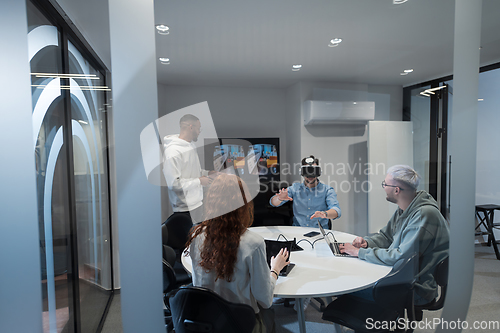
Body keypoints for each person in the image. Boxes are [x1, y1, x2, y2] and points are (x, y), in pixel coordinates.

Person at [186, 174, 289, 333]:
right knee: (270, 314)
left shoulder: (197, 237)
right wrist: (275, 269)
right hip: (241, 325)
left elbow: (197, 284)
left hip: (205, 324)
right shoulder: (253, 243)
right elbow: (265, 300)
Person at [339, 165, 450, 305]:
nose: (384, 187)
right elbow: (387, 237)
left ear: (396, 190)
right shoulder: (405, 209)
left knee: (346, 288)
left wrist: (359, 252)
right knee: (352, 280)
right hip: (402, 277)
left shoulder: (423, 215)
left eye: (385, 184)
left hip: (414, 287)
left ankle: (376, 320)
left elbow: (400, 258)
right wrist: (367, 243)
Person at [163, 114, 215, 224]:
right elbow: (173, 184)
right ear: (191, 127)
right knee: (189, 239)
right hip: (184, 209)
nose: (199, 131)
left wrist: (208, 173)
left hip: (197, 203)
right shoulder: (172, 152)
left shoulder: (190, 146)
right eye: (198, 128)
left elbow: (194, 172)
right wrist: (199, 181)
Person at [269, 155, 341, 230]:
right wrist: (279, 199)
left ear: (319, 172)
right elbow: (273, 202)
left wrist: (325, 214)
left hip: (319, 233)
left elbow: (336, 210)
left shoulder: (327, 190)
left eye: (313, 170)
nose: (310, 175)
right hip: (298, 232)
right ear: (301, 172)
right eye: (307, 170)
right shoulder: (295, 188)